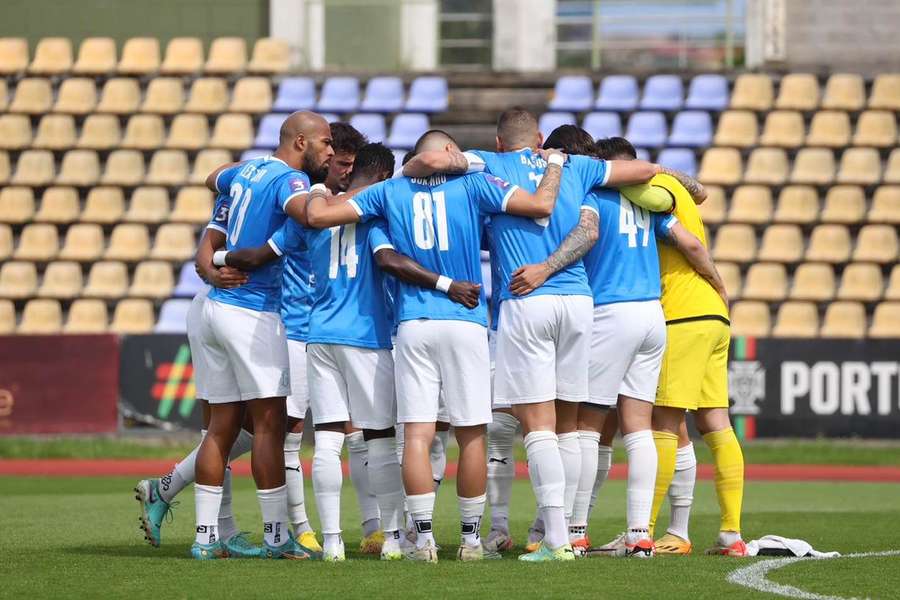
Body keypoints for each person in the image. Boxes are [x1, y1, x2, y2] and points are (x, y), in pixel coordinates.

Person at [403, 109, 667, 562]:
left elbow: (428, 162)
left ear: (501, 142)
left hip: (527, 299)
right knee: (571, 428)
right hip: (580, 301)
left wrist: (432, 162)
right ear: (540, 138)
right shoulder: (577, 165)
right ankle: (572, 532)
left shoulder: (489, 162)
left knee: (537, 427)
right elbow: (644, 170)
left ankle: (556, 540)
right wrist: (665, 175)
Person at [305, 129, 566, 563]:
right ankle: (470, 541)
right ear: (449, 153)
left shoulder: (389, 190)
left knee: (418, 436)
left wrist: (315, 189)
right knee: (471, 435)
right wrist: (554, 163)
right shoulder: (475, 183)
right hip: (464, 320)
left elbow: (318, 218)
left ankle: (422, 540)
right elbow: (540, 205)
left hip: (413, 323)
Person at [189, 111, 333, 560]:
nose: (329, 150)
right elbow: (305, 213)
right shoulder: (289, 180)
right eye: (324, 142)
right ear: (300, 142)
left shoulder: (246, 171)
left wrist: (212, 267)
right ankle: (275, 538)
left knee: (220, 426)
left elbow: (214, 178)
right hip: (252, 312)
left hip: (213, 308)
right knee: (270, 425)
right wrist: (321, 198)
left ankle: (205, 539)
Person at [133, 192, 258, 558]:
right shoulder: (285, 190)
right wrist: (215, 266)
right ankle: (198, 516)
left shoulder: (273, 189)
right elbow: (206, 248)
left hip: (234, 309)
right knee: (239, 425)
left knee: (233, 427)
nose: (336, 162)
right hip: (230, 309)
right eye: (331, 151)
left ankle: (215, 524)